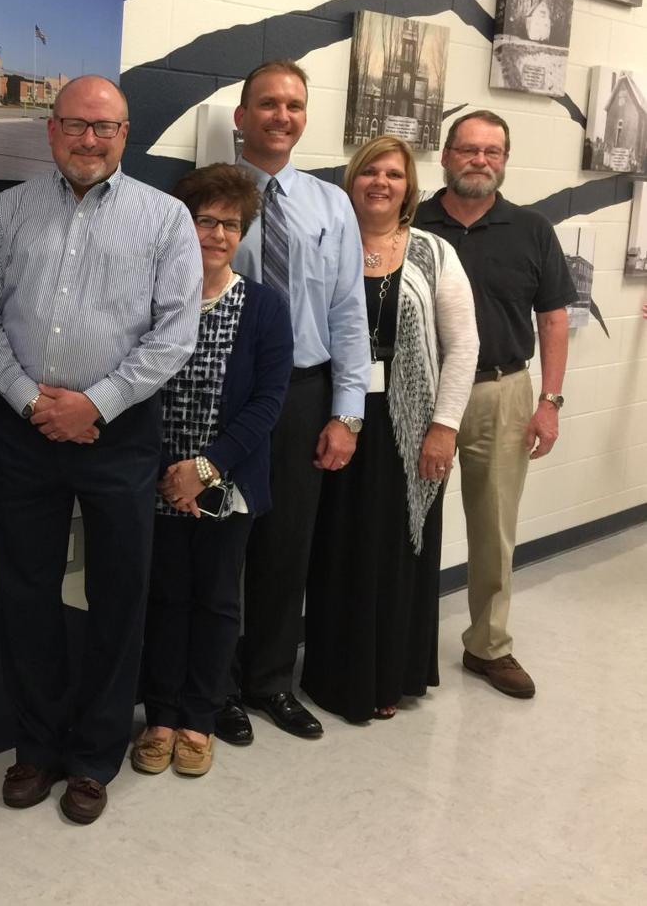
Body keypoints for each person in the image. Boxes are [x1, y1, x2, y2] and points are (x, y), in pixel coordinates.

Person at [0, 75, 202, 824]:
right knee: (27, 593)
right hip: (25, 427)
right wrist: (38, 403)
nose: (90, 140)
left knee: (118, 596)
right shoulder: (6, 214)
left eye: (106, 127)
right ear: (51, 130)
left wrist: (94, 404)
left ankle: (95, 755)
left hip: (119, 432)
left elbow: (174, 335)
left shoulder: (166, 220)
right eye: (76, 125)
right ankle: (37, 747)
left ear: (126, 134)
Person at [301, 136, 478, 722]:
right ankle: (334, 674)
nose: (381, 182)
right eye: (370, 171)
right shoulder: (328, 245)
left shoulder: (432, 253)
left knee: (401, 549)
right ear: (351, 180)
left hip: (412, 426)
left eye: (394, 175)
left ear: (410, 187)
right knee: (338, 549)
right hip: (339, 419)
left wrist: (445, 428)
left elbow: (464, 346)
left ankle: (390, 675)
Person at [220, 59, 368, 745]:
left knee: (286, 548)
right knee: (220, 544)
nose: (282, 115)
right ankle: (214, 685)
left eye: (295, 105)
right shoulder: (210, 196)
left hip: (305, 394)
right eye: (268, 103)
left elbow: (347, 313)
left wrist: (346, 412)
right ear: (240, 117)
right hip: (226, 394)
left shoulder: (331, 204)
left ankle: (271, 681)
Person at [130, 164, 292, 780]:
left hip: (227, 484)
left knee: (218, 601)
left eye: (231, 223)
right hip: (152, 481)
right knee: (165, 599)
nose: (219, 233)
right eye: (205, 220)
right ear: (182, 224)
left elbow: (269, 402)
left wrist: (205, 467)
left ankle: (199, 716)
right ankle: (162, 717)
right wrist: (170, 475)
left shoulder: (265, 307)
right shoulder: (154, 301)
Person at [415, 110, 576, 699]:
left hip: (503, 393)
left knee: (494, 529)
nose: (480, 161)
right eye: (468, 150)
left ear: (504, 161)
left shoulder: (532, 230)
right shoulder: (412, 221)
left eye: (492, 152)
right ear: (446, 155)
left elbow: (553, 318)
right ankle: (400, 644)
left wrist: (550, 401)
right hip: (419, 396)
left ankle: (489, 646)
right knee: (404, 523)